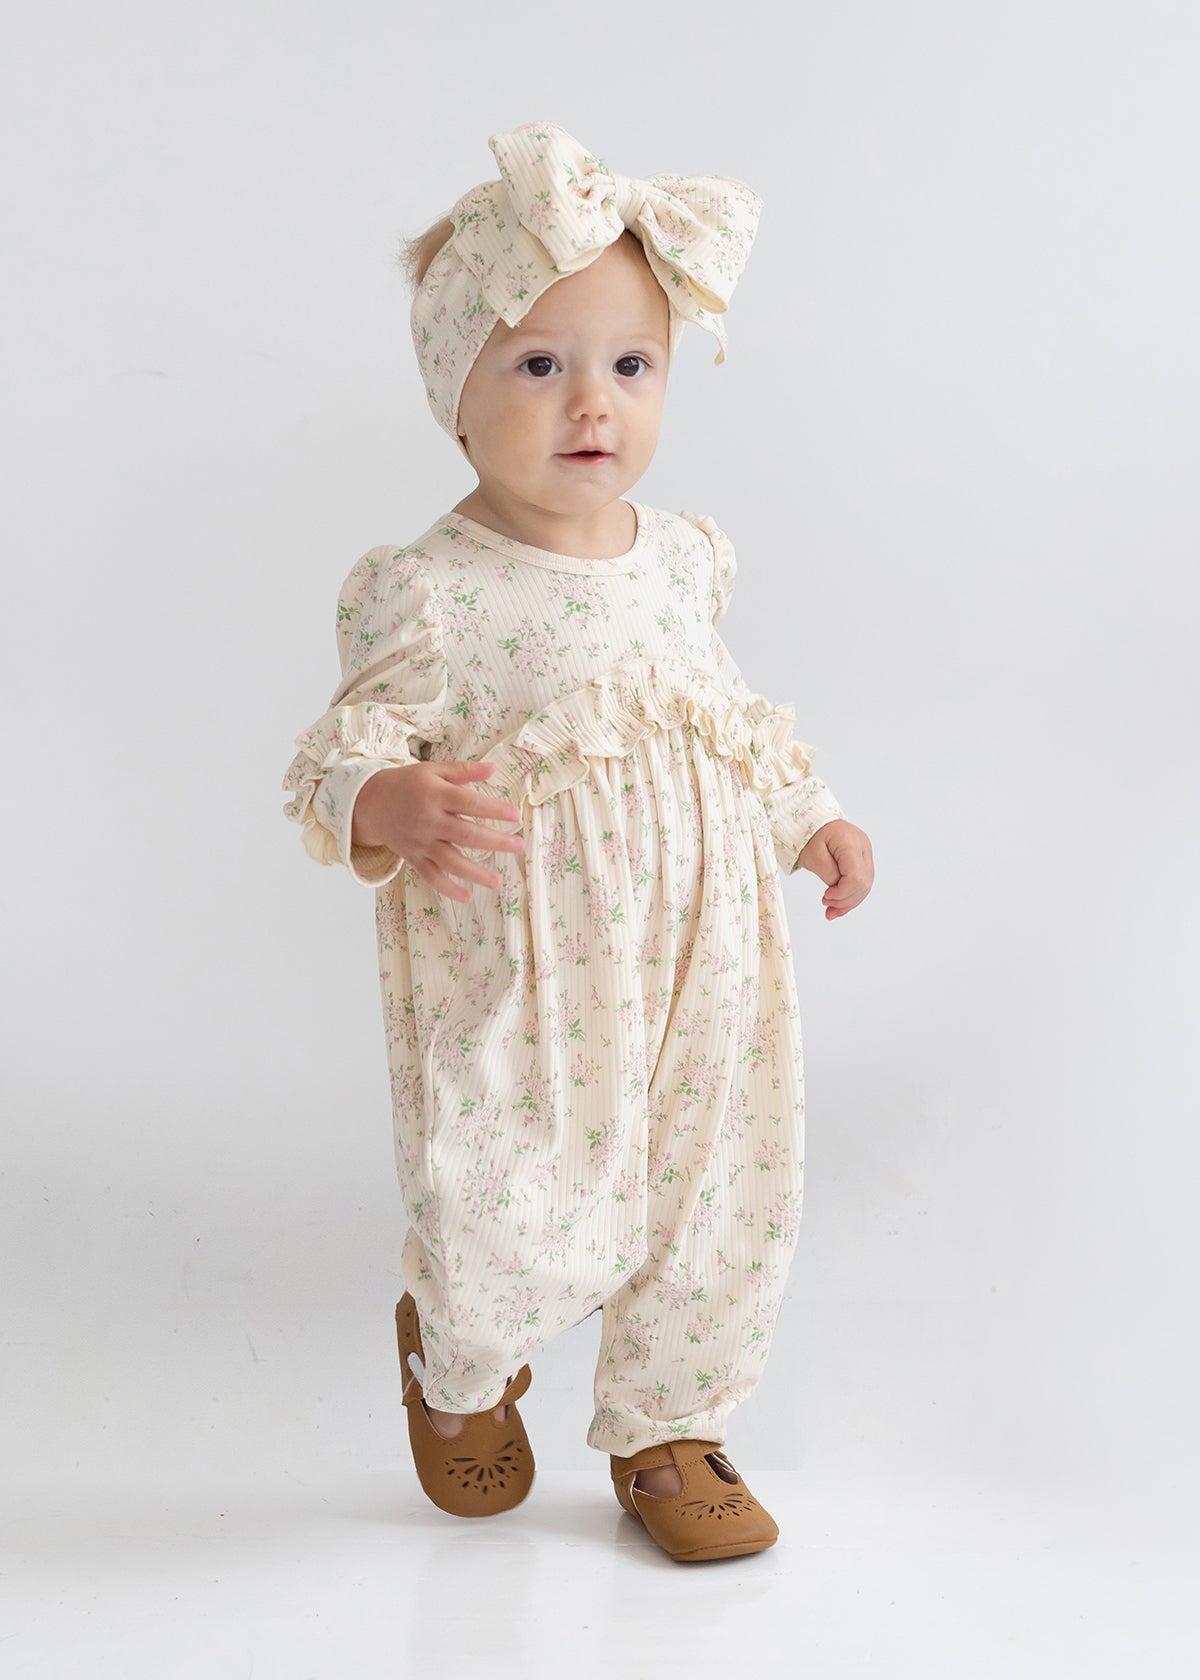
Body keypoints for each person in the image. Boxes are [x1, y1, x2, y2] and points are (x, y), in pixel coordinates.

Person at [281, 119, 874, 1562]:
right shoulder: (429, 589)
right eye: (539, 364)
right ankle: (461, 1352)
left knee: (716, 1185)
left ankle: (672, 1429)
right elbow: (332, 756)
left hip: (711, 952)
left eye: (630, 364)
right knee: (507, 1196)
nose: (590, 403)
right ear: (459, 390)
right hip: (532, 976)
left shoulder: (682, 559)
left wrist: (810, 815)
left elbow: (723, 716)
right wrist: (386, 803)